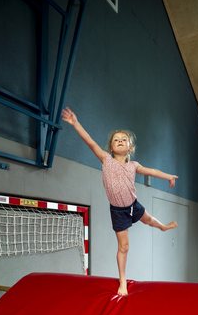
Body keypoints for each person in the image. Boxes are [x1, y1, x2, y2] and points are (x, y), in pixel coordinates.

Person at [61, 107, 178, 296]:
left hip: (133, 205)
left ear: (130, 147)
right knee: (124, 246)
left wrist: (168, 176)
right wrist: (75, 123)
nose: (120, 141)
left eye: (124, 139)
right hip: (117, 210)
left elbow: (152, 171)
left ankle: (162, 227)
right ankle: (122, 281)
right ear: (111, 147)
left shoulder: (134, 165)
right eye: (116, 140)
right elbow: (90, 142)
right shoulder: (105, 159)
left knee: (148, 219)